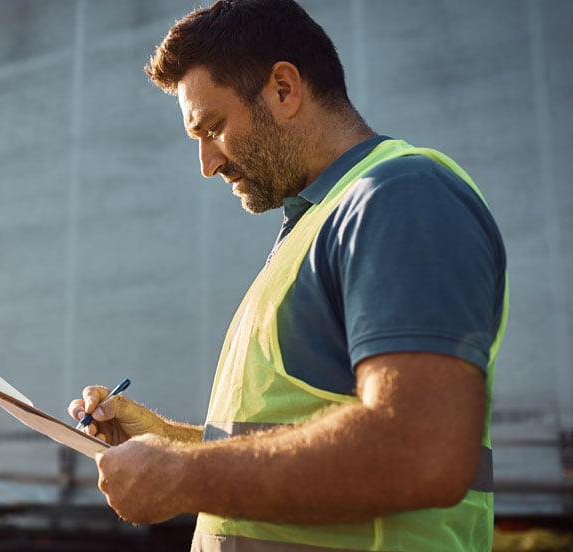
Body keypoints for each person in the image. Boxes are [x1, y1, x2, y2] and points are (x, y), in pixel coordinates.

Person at [68, 0, 508, 550]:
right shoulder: (315, 223)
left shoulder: (400, 197)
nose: (207, 163)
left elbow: (421, 449)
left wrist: (181, 476)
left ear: (283, 88)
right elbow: (296, 437)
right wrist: (170, 446)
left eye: (213, 127)